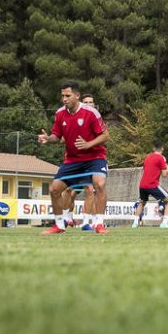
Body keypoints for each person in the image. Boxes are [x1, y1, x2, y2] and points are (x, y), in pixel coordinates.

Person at [38, 82, 110, 234]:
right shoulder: (59, 114)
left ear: (77, 96)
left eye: (68, 95)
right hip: (72, 160)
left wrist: (88, 144)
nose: (64, 99)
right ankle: (59, 225)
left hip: (95, 157)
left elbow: (105, 135)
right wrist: (47, 139)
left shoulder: (91, 113)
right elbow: (56, 136)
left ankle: (98, 224)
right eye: (63, 96)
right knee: (54, 189)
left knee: (99, 184)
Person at [62, 94, 97, 231]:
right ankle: (66, 218)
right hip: (73, 161)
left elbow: (102, 138)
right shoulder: (73, 118)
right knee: (69, 190)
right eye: (86, 102)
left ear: (94, 105)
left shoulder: (96, 119)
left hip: (90, 162)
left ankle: (87, 222)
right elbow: (63, 138)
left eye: (91, 102)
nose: (88, 104)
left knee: (89, 190)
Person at [132, 142, 168, 228]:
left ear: (154, 149)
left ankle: (135, 223)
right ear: (162, 149)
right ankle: (164, 222)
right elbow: (164, 175)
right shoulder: (161, 158)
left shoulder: (147, 157)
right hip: (152, 184)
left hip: (142, 185)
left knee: (142, 202)